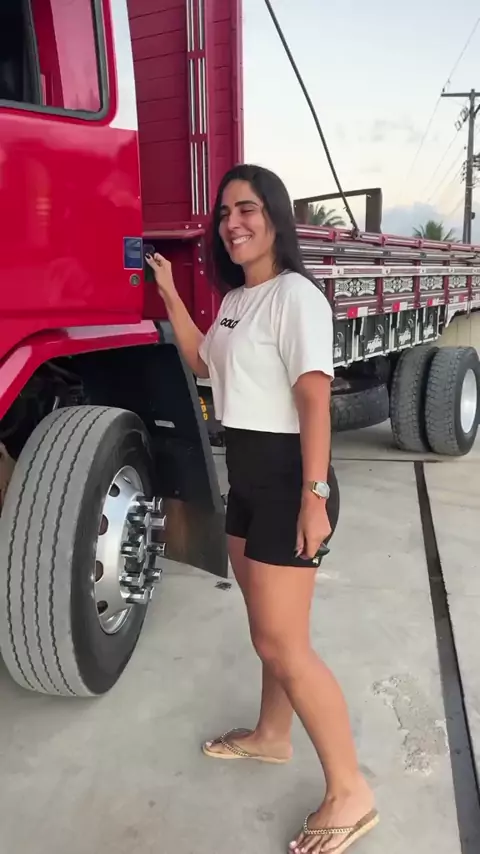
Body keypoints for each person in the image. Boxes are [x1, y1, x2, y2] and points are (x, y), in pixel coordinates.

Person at [146, 164, 378, 854]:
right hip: (246, 475)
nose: (232, 223)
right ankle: (273, 735)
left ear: (275, 215)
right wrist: (169, 292)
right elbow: (203, 363)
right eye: (224, 213)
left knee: (284, 644)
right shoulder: (238, 301)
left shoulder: (295, 296)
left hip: (287, 478)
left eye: (246, 209)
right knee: (268, 630)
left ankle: (351, 791)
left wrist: (315, 496)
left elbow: (313, 399)